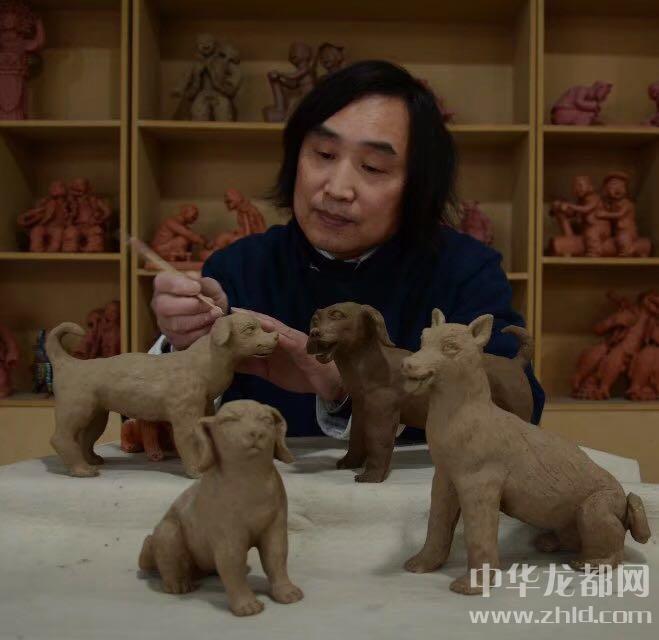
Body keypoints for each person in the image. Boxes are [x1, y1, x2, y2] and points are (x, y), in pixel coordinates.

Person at [150, 60, 545, 439]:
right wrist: (182, 343)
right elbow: (176, 413)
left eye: (372, 167)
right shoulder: (238, 268)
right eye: (324, 154)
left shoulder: (465, 271)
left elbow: (516, 404)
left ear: (417, 187)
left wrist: (347, 386)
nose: (337, 189)